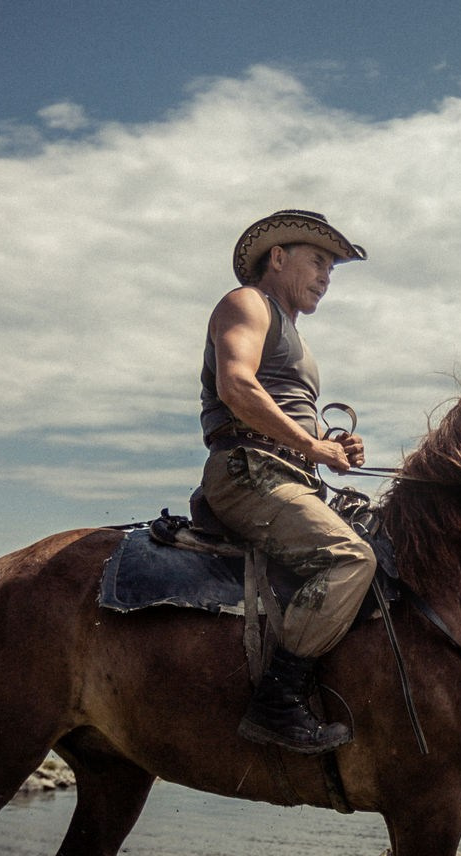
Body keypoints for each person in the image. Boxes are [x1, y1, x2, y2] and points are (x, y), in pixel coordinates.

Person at [198, 210, 374, 754]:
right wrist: (309, 444)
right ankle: (276, 702)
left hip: (285, 471)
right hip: (247, 471)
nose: (326, 277)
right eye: (318, 261)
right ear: (278, 257)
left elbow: (291, 411)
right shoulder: (247, 304)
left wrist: (332, 441)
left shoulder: (293, 335)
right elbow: (237, 386)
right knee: (351, 559)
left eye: (332, 269)